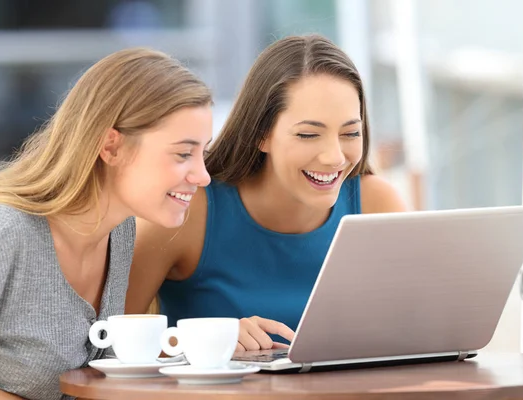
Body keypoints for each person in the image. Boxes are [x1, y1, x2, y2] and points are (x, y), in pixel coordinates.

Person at [0, 48, 212, 400]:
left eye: (204, 153)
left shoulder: (119, 232)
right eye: (183, 154)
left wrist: (210, 347)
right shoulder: (2, 231)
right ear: (111, 147)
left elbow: (103, 367)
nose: (202, 176)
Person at [125, 34, 407, 352]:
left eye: (350, 133)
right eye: (308, 134)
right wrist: (207, 341)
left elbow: (416, 330)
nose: (335, 157)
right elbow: (108, 345)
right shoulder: (187, 210)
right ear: (262, 135)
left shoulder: (376, 204)